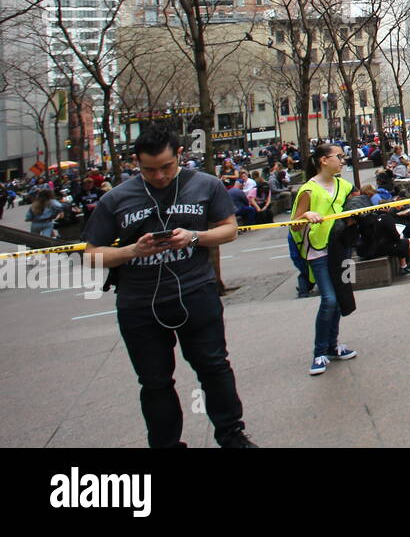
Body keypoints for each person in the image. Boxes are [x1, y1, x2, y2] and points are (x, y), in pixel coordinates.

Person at [82, 128, 255, 448]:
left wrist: (194, 237)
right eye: (149, 169)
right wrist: (131, 251)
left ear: (179, 154)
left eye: (167, 166)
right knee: (154, 381)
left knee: (214, 365)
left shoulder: (206, 185)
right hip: (139, 304)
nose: (159, 176)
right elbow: (92, 254)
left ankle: (232, 434)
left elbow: (229, 230)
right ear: (136, 162)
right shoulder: (115, 199)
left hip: (196, 292)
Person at [290, 143, 359, 376]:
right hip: (318, 251)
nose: (343, 160)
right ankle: (319, 352)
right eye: (338, 156)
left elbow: (354, 209)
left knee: (339, 298)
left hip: (341, 249)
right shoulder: (308, 190)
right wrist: (305, 216)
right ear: (323, 160)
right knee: (329, 299)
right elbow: (295, 227)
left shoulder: (345, 186)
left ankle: (332, 346)